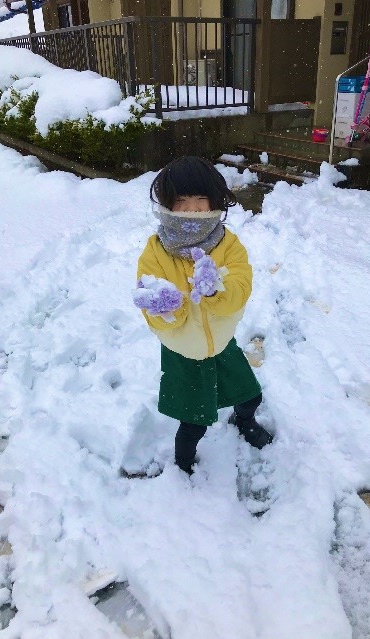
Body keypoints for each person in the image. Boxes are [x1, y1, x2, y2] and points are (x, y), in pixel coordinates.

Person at [133, 156, 272, 475]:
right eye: (182, 201)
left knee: (249, 396)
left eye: (200, 199)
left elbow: (241, 287)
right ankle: (183, 463)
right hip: (183, 354)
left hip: (222, 345)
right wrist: (165, 307)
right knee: (194, 423)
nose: (192, 209)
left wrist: (216, 289)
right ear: (167, 204)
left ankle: (245, 421)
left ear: (215, 200)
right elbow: (150, 303)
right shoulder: (155, 252)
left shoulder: (227, 244)